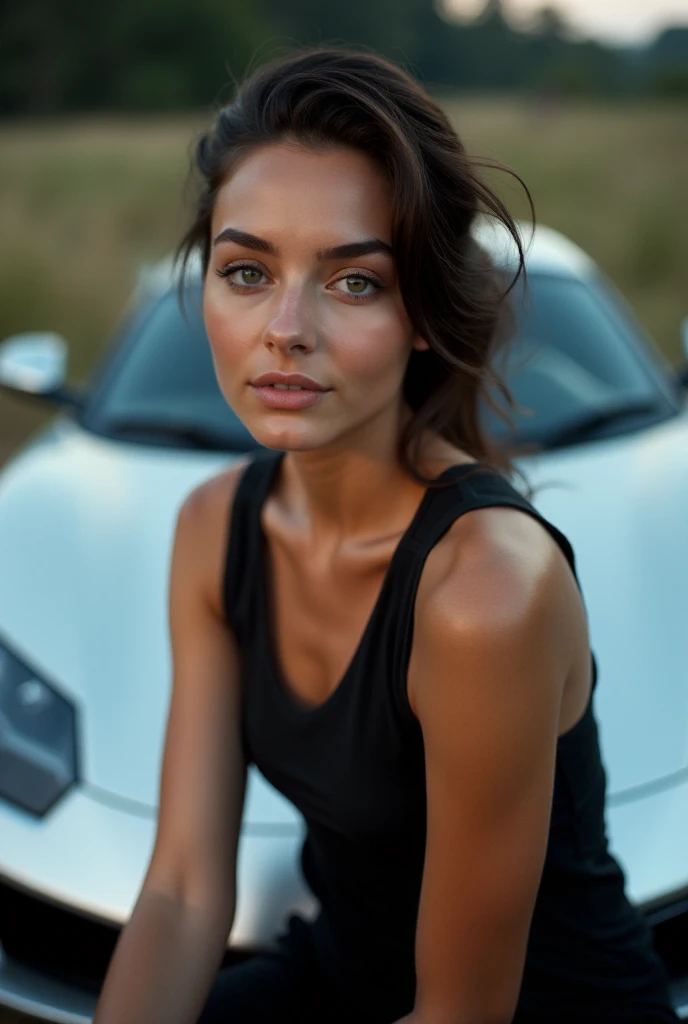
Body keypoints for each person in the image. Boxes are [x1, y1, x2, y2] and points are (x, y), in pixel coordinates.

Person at [92, 47, 679, 1024]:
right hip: (344, 976)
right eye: (246, 270)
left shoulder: (485, 592)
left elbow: (460, 1010)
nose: (285, 327)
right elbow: (184, 888)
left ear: (419, 315)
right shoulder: (213, 529)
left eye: (353, 282)